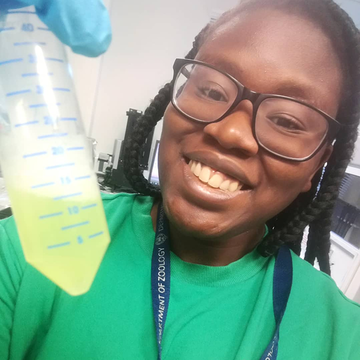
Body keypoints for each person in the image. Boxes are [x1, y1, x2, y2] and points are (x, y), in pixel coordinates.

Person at [1, 0, 360, 359]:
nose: (231, 132)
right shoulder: (38, 242)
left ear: (317, 166)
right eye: (212, 90)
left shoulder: (342, 337)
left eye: (286, 120)